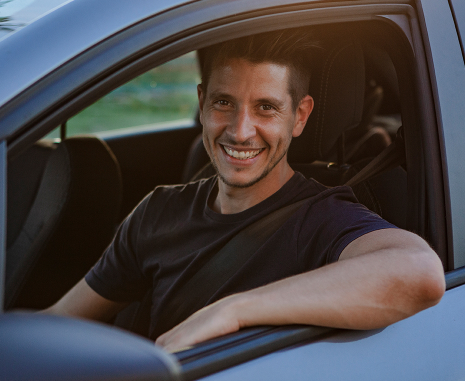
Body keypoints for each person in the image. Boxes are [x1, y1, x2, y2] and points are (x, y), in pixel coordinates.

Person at [43, 30, 445, 352]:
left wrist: (234, 311)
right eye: (224, 102)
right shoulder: (158, 211)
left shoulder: (323, 218)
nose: (239, 131)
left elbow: (420, 273)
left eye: (266, 108)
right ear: (202, 103)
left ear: (300, 116)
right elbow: (58, 325)